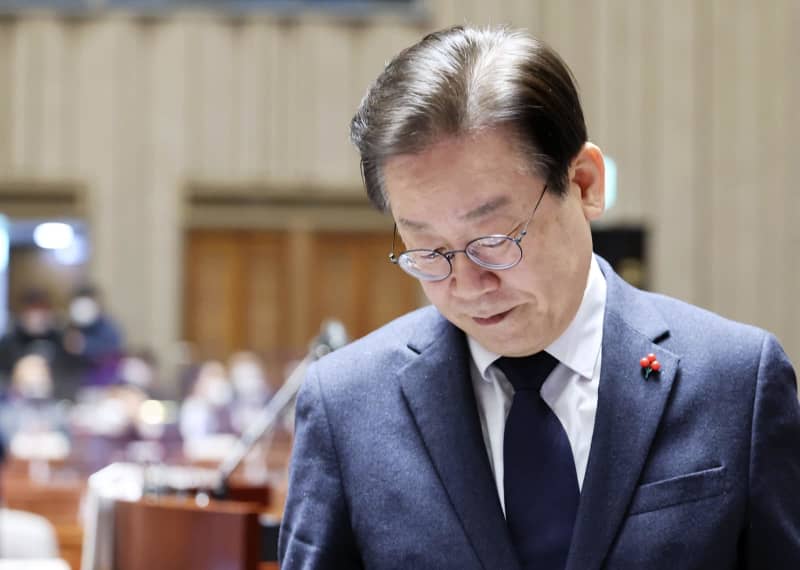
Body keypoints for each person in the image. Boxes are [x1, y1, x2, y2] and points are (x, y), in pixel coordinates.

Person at [278, 25, 800, 569]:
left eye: (494, 241)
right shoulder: (349, 406)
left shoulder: (736, 383)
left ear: (584, 184)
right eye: (428, 250)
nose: (468, 286)